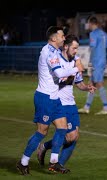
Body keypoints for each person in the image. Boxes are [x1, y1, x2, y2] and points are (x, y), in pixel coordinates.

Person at [16, 26, 84, 175]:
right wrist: (76, 69)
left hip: (55, 98)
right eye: (61, 36)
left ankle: (54, 163)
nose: (64, 38)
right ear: (54, 38)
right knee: (42, 132)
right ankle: (23, 162)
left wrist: (77, 60)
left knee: (62, 128)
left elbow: (70, 53)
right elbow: (59, 73)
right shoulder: (49, 53)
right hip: (44, 98)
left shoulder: (55, 51)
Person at [37, 34, 96, 171]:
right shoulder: (56, 60)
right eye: (74, 48)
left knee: (74, 136)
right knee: (71, 135)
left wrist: (86, 87)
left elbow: (79, 83)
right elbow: (59, 82)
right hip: (59, 103)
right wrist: (72, 71)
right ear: (66, 46)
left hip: (71, 104)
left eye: (77, 49)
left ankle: (57, 162)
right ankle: (50, 156)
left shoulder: (75, 61)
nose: (76, 51)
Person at [78, 16, 107, 115]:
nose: (87, 25)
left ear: (92, 23)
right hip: (102, 62)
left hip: (96, 62)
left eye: (88, 23)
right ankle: (87, 107)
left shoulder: (93, 34)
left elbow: (92, 49)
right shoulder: (104, 34)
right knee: (92, 83)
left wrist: (90, 63)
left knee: (99, 83)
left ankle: (106, 108)